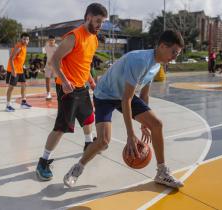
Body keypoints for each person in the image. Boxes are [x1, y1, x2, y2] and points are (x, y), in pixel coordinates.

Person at [63, 30, 185, 189]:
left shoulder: (157, 65)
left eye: (178, 53)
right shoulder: (140, 60)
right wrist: (130, 135)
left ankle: (162, 172)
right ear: (162, 46)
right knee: (103, 141)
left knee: (157, 124)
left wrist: (144, 124)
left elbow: (144, 94)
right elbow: (126, 99)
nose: (175, 56)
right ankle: (77, 169)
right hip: (105, 95)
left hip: (123, 94)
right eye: (174, 52)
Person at [35, 3, 107, 181]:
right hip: (67, 88)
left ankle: (89, 144)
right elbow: (54, 60)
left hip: (81, 86)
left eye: (102, 22)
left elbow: (86, 63)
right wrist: (65, 81)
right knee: (62, 126)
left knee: (88, 117)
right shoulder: (74, 37)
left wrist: (91, 81)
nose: (100, 25)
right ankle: (43, 161)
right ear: (88, 17)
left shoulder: (94, 38)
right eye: (98, 21)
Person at [5, 33, 32, 112]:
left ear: (28, 40)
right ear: (21, 39)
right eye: (24, 39)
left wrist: (23, 66)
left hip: (20, 70)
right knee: (11, 87)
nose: (25, 40)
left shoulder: (24, 47)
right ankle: (8, 105)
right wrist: (13, 71)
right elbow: (11, 59)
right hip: (13, 70)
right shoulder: (18, 47)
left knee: (24, 84)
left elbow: (19, 59)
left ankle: (23, 102)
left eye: (27, 39)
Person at [43, 35, 58, 100]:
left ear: (54, 41)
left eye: (52, 40)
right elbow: (45, 54)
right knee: (47, 79)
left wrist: (52, 61)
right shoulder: (46, 47)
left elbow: (58, 57)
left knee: (57, 80)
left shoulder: (57, 47)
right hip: (48, 66)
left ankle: (58, 93)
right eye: (50, 40)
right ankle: (48, 94)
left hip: (55, 66)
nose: (51, 41)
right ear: (48, 41)